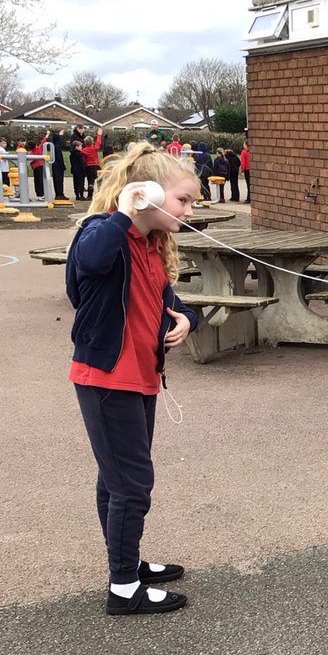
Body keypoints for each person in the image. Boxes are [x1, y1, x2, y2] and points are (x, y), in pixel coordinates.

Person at [65, 142, 202, 615]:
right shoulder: (103, 231)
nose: (188, 209)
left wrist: (186, 320)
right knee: (132, 484)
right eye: (183, 200)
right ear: (145, 194)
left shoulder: (152, 245)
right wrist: (124, 210)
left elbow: (170, 301)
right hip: (106, 378)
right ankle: (124, 587)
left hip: (141, 378)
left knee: (118, 479)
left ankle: (128, 562)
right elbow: (91, 265)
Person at [81, 130, 103, 199]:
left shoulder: (83, 150)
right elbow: (98, 143)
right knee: (100, 181)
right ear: (92, 142)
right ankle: (101, 194)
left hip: (88, 167)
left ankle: (90, 196)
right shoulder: (94, 148)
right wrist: (99, 135)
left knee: (90, 181)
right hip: (96, 166)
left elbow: (83, 160)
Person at [48, 128, 67, 200]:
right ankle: (60, 194)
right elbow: (59, 157)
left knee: (57, 180)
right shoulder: (57, 146)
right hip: (58, 166)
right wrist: (63, 166)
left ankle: (58, 194)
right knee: (59, 181)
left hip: (55, 165)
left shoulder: (54, 145)